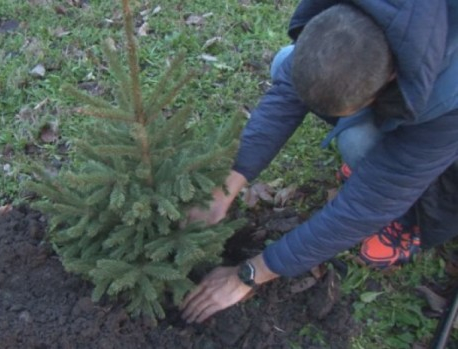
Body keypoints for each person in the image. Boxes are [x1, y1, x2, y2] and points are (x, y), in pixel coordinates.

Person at [180, 0, 458, 324]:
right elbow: (286, 93)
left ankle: (413, 220)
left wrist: (251, 273)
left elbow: (366, 208)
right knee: (288, 63)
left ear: (393, 75)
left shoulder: (446, 99)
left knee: (359, 143)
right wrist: (229, 183)